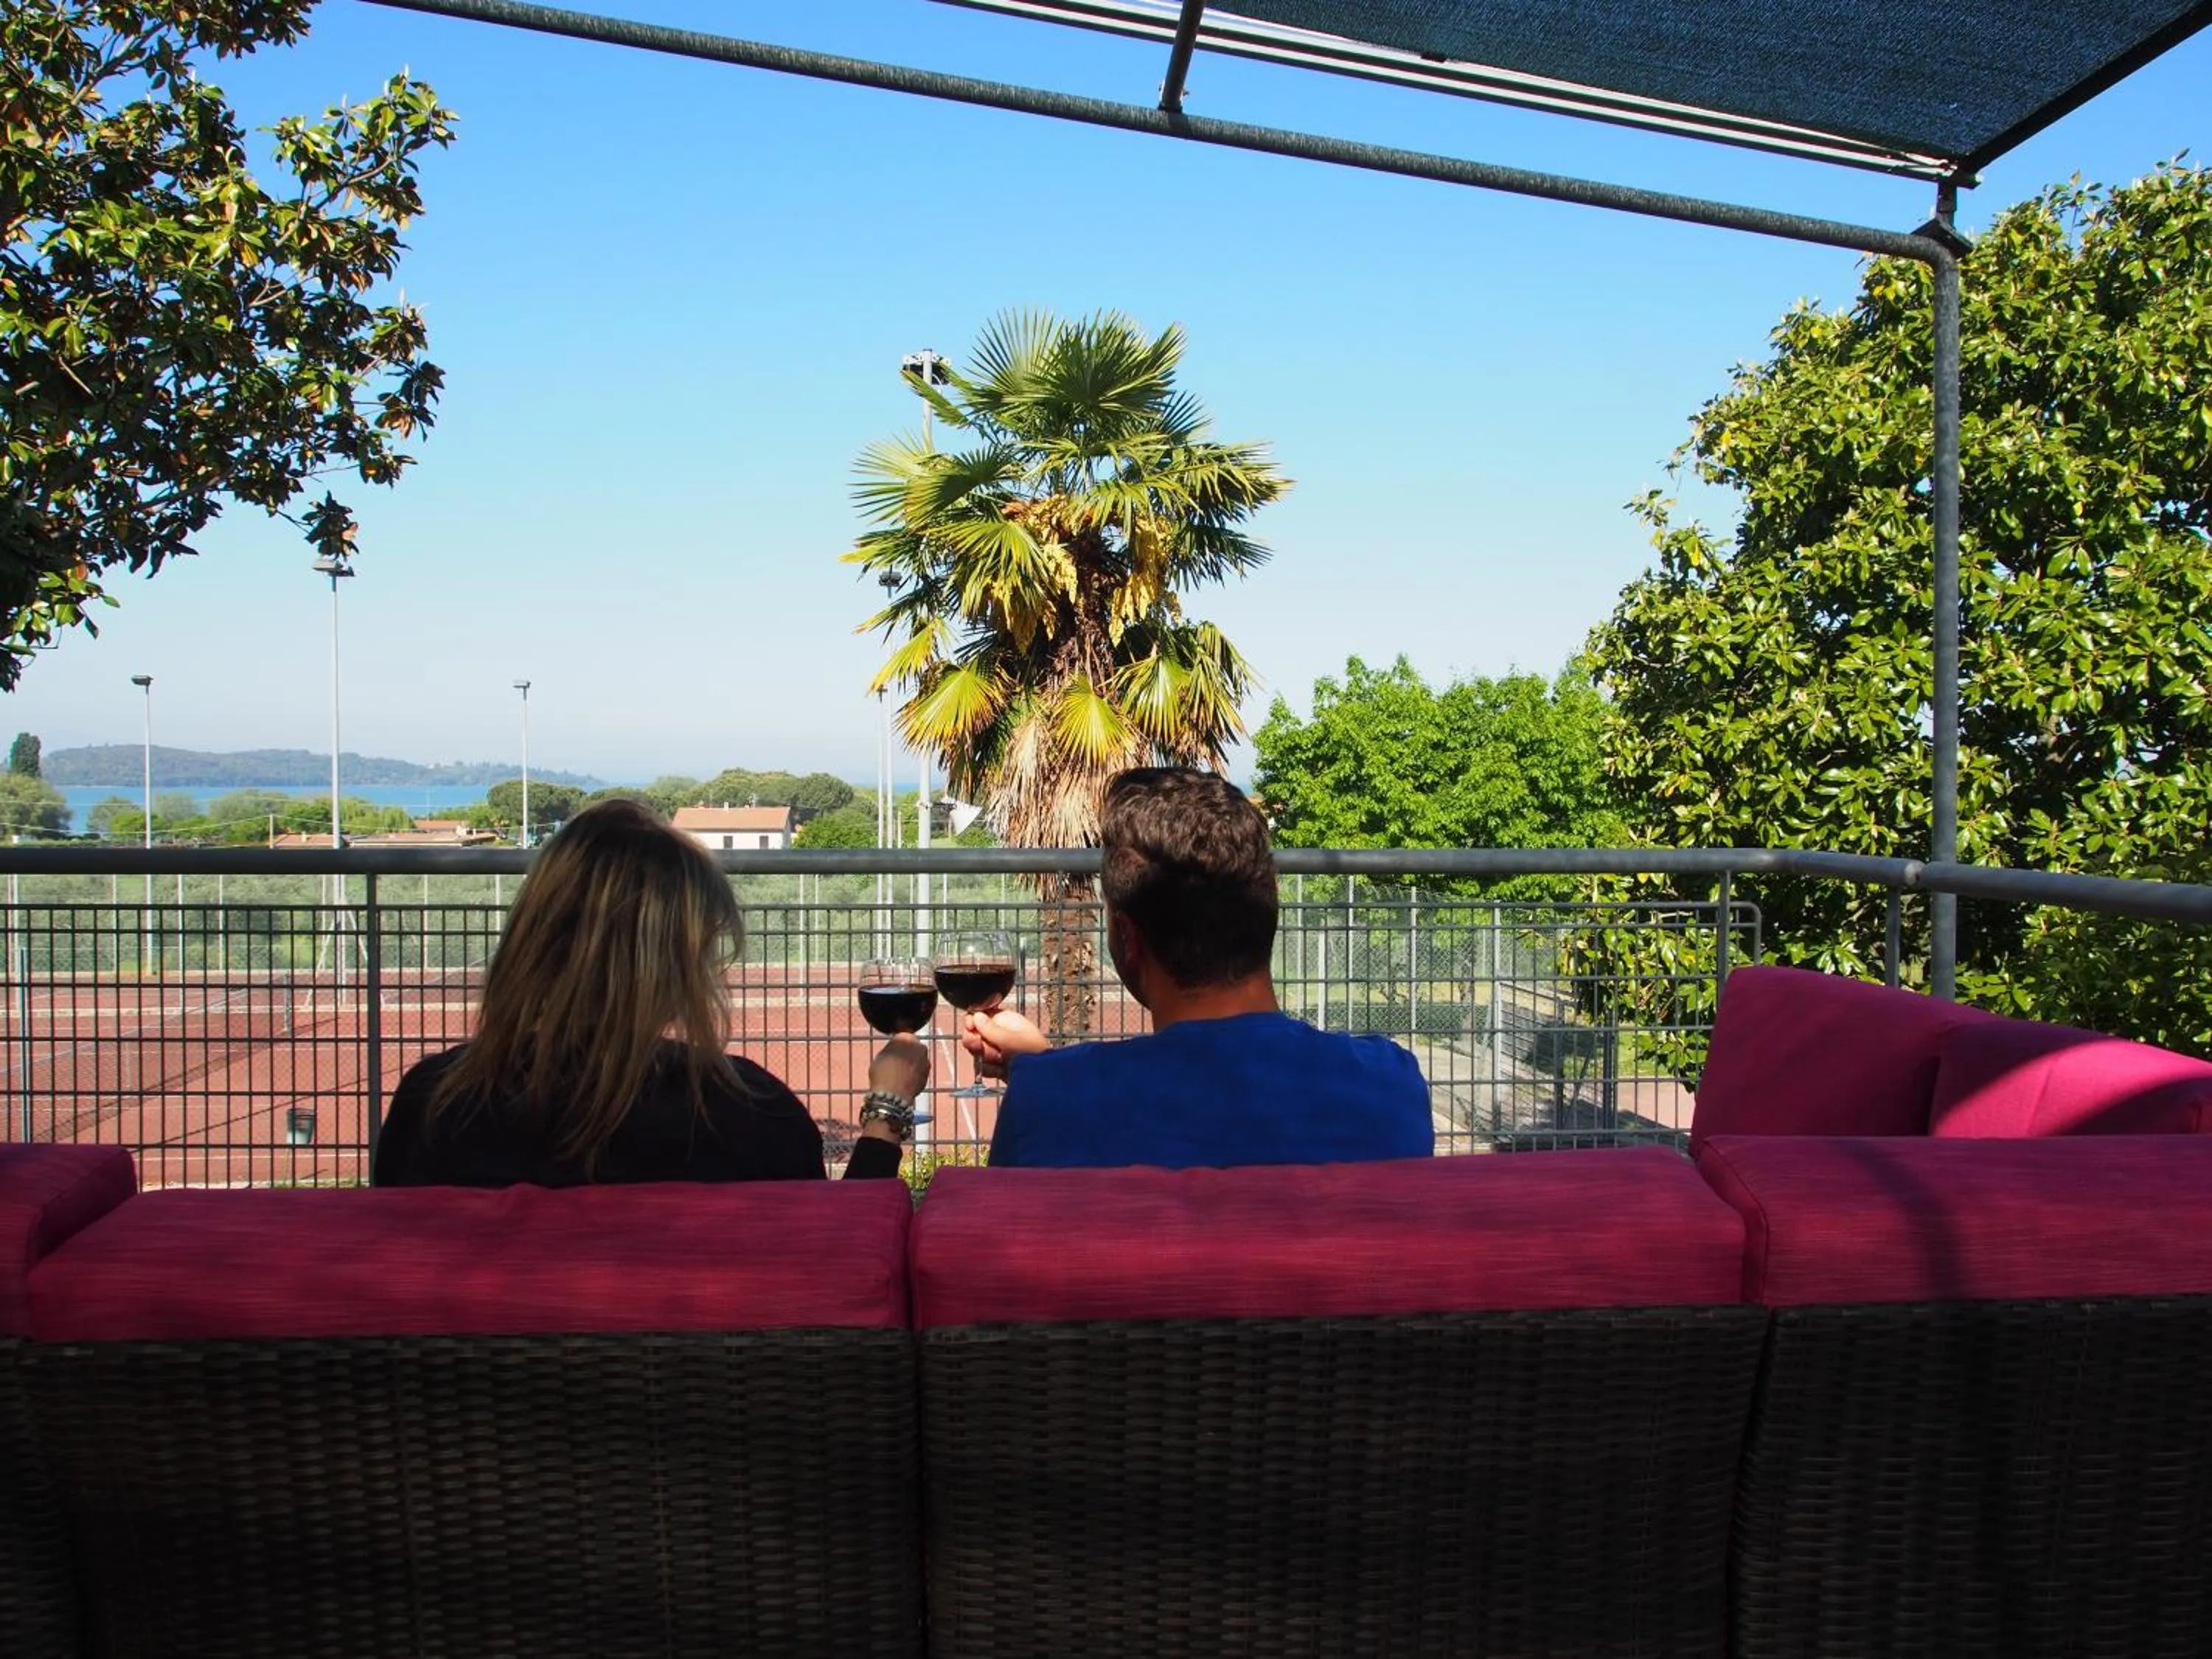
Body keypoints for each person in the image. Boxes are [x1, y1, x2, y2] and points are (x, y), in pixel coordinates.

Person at [373, 798, 922, 1187]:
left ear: (532, 936)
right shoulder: (748, 1113)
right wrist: (887, 1108)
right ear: (676, 962)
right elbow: (840, 1256)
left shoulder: (433, 1105)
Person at [962, 768, 1433, 1169]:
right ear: (1267, 911)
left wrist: (1045, 1076)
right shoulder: (1391, 1085)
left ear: (1128, 937)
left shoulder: (1049, 1103)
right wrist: (1043, 1070)